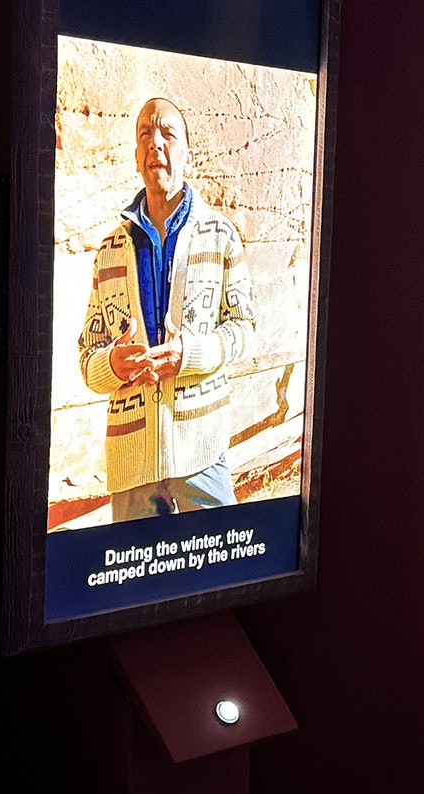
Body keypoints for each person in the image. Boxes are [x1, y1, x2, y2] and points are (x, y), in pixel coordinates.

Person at [77, 96, 255, 523]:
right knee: (134, 584)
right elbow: (86, 358)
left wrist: (189, 355)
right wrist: (113, 365)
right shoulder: (109, 251)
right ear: (137, 156)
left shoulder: (221, 235)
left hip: (202, 451)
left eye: (168, 134)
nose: (155, 142)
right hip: (131, 465)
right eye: (145, 134)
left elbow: (244, 328)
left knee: (218, 572)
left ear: (187, 153)